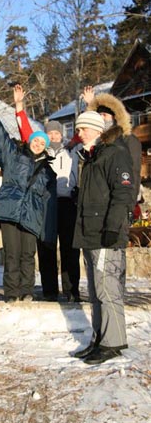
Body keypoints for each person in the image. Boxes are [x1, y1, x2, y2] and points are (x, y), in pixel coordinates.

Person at [0, 102, 57, 303]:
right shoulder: (14, 157)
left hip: (32, 216)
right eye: (35, 141)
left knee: (28, 255)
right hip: (10, 211)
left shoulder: (48, 172)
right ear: (30, 142)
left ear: (45, 147)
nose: (38, 144)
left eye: (42, 143)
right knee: (11, 254)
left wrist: (48, 232)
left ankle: (27, 291)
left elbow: (49, 204)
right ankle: (11, 292)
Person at [72, 110, 134, 365]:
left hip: (105, 234)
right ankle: (100, 338)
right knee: (96, 290)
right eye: (77, 129)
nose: (78, 134)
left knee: (108, 289)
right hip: (90, 233)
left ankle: (113, 342)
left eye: (82, 129)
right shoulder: (92, 156)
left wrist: (112, 228)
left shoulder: (114, 153)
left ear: (97, 130)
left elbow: (122, 195)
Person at [14, 84, 81, 302]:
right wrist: (19, 106)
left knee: (71, 249)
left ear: (62, 135)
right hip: (45, 206)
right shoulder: (40, 150)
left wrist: (88, 104)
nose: (53, 136)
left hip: (67, 203)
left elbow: (87, 133)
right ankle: (50, 291)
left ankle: (72, 291)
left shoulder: (71, 150)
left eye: (56, 132)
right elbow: (26, 132)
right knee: (46, 248)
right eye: (50, 132)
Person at [81, 86, 142, 202]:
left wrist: (129, 205)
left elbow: (134, 173)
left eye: (105, 115)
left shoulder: (128, 139)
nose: (101, 119)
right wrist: (90, 105)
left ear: (114, 118)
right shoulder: (96, 142)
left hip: (119, 201)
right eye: (99, 115)